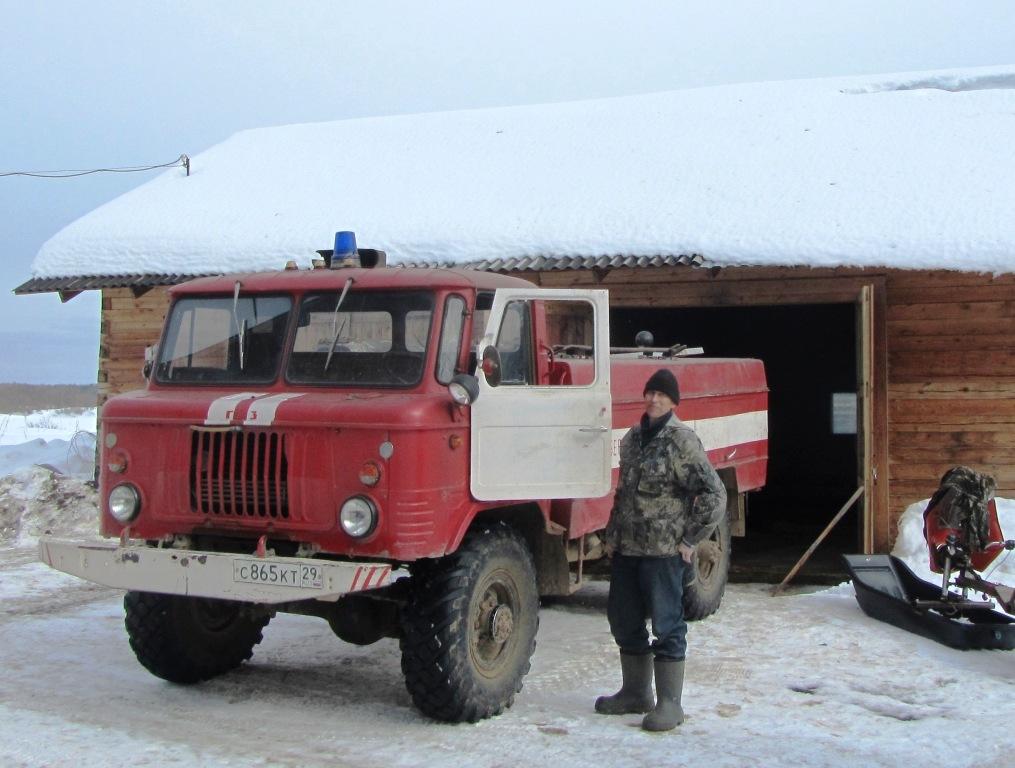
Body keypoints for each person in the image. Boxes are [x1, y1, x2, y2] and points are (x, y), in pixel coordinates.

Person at [595, 368, 727, 732]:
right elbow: (623, 494)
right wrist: (611, 535)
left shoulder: (682, 441)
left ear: (673, 401)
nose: (654, 399)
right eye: (650, 393)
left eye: (662, 395)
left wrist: (690, 540)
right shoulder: (633, 438)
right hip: (628, 550)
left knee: (667, 625)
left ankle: (670, 703)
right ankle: (636, 693)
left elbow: (715, 495)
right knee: (623, 619)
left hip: (664, 553)